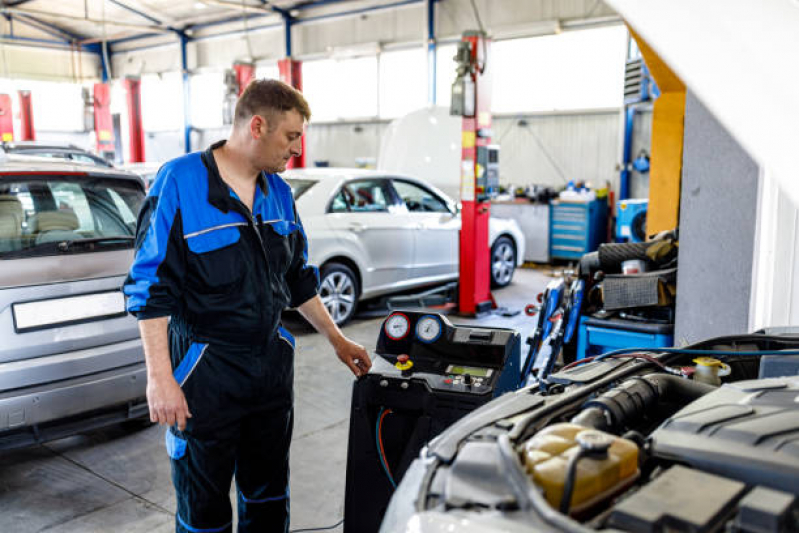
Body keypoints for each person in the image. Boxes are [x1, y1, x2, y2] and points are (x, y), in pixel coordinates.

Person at [123, 79, 371, 533]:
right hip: (205, 370)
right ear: (258, 126)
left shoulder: (278, 192)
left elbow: (297, 278)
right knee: (204, 510)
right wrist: (160, 379)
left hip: (270, 371)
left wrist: (336, 339)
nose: (296, 149)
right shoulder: (180, 182)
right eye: (291, 136)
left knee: (268, 499)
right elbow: (148, 288)